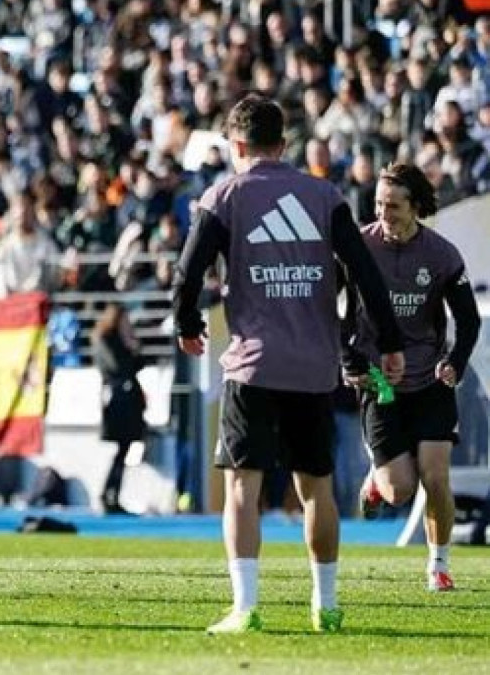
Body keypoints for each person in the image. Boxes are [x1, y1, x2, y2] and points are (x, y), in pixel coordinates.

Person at [172, 95, 405, 634]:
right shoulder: (323, 195)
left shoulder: (225, 195)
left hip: (252, 365)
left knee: (242, 488)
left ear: (236, 145)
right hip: (313, 366)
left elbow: (188, 272)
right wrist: (388, 342)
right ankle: (325, 605)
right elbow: (365, 273)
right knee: (315, 488)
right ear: (283, 144)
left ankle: (246, 607)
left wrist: (186, 324)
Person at [343, 162, 481, 592]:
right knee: (400, 490)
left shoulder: (441, 256)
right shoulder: (357, 248)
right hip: (379, 383)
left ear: (416, 207)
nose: (384, 213)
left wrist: (455, 363)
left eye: (394, 206)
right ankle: (377, 478)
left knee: (436, 475)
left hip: (430, 380)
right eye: (380, 204)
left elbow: (469, 319)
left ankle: (438, 565)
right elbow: (332, 311)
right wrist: (348, 361)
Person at [90, 303, 146, 515]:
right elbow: (117, 366)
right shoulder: (105, 340)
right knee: (120, 449)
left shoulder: (123, 340)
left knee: (125, 450)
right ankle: (108, 492)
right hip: (117, 400)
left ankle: (113, 492)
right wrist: (130, 350)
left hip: (129, 398)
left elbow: (140, 363)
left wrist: (133, 347)